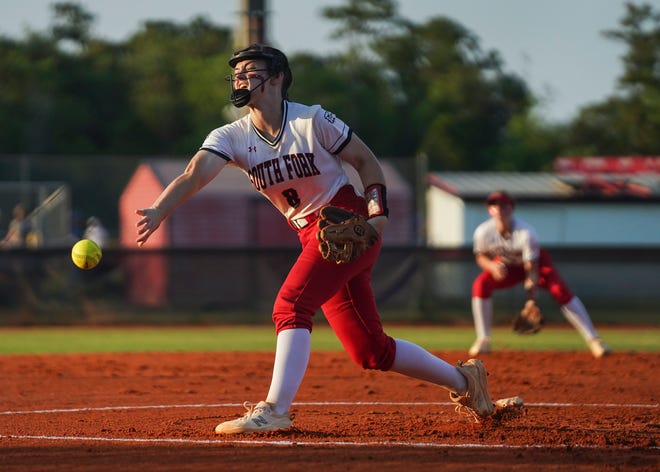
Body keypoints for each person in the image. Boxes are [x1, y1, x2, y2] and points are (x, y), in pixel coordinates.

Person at [135, 44, 501, 434]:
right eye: (237, 72)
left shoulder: (311, 120)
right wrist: (159, 209)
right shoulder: (232, 135)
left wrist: (377, 216)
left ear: (277, 77)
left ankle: (275, 410)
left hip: (348, 223)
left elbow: (366, 162)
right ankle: (467, 383)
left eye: (251, 70)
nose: (241, 77)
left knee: (290, 305)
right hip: (313, 235)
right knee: (370, 350)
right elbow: (194, 174)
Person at [468, 190, 611, 359]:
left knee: (559, 291)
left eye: (503, 205)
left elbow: (531, 269)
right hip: (508, 267)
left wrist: (531, 300)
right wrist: (492, 266)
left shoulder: (526, 233)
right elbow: (480, 256)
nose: (498, 209)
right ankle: (483, 339)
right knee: (480, 284)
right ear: (489, 210)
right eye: (494, 205)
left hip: (535, 265)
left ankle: (594, 340)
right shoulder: (483, 231)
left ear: (511, 208)